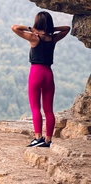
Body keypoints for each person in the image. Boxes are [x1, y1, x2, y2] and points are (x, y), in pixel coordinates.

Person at [11, 11, 70, 147]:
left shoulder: (34, 38)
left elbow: (14, 28)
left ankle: (38, 138)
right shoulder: (53, 39)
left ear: (37, 23)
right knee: (49, 109)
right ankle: (48, 140)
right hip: (48, 74)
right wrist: (50, 30)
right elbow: (67, 28)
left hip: (36, 73)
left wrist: (32, 29)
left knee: (35, 108)